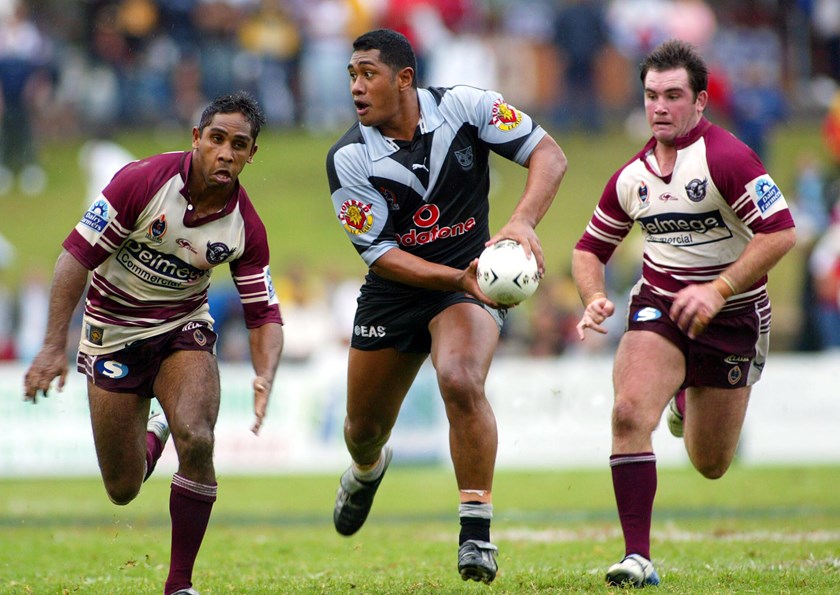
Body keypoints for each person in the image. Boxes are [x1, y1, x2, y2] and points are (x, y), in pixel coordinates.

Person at [325, 28, 566, 584]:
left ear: (404, 78)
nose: (356, 87)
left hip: (469, 286)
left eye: (368, 74)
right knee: (362, 430)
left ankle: (475, 534)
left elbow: (549, 154)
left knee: (459, 377)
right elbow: (381, 255)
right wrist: (457, 276)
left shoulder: (467, 106)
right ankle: (366, 471)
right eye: (351, 76)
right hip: (397, 289)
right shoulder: (348, 157)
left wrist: (521, 221)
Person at [22, 91, 284, 595]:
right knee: (123, 488)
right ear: (196, 138)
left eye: (239, 145)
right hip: (112, 334)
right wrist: (53, 345)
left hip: (182, 330)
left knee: (199, 438)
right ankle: (158, 429)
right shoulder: (140, 182)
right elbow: (74, 257)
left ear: (252, 154)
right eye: (217, 139)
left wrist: (265, 372)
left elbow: (264, 312)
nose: (225, 153)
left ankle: (179, 584)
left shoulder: (245, 227)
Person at [572, 39, 795, 588]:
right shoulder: (632, 176)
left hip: (734, 316)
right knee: (628, 413)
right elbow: (588, 249)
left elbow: (780, 233)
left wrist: (718, 290)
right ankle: (637, 557)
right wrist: (593, 296)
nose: (660, 107)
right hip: (661, 307)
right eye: (651, 96)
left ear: (699, 101)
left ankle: (684, 398)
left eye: (673, 95)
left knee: (710, 463)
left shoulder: (728, 159)